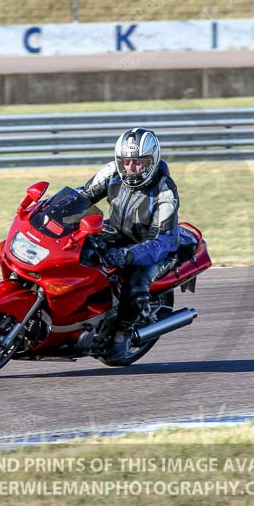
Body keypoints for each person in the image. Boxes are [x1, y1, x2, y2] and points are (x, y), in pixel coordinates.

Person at [78, 127, 180, 361]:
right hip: (118, 233)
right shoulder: (112, 172)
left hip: (154, 248)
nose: (131, 168)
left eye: (139, 162)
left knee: (135, 286)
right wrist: (49, 211)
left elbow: (160, 241)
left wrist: (128, 256)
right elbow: (82, 196)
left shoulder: (165, 192)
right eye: (127, 162)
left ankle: (121, 335)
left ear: (152, 161)